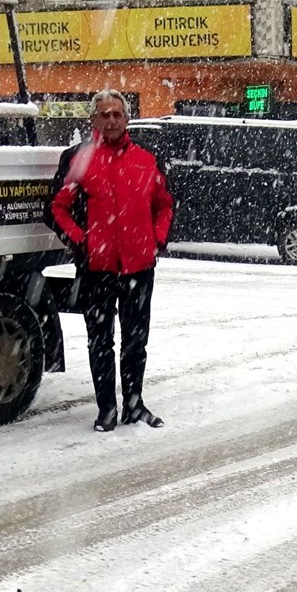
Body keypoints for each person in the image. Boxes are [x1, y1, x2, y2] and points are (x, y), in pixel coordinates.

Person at [49, 90, 174, 432]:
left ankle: (135, 405)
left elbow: (164, 204)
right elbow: (57, 208)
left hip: (139, 267)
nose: (111, 120)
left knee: (136, 341)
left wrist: (157, 240)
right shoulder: (80, 160)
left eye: (117, 114)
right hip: (97, 269)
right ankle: (107, 409)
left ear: (127, 119)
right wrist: (82, 241)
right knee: (100, 342)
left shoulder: (147, 160)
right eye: (104, 114)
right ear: (93, 121)